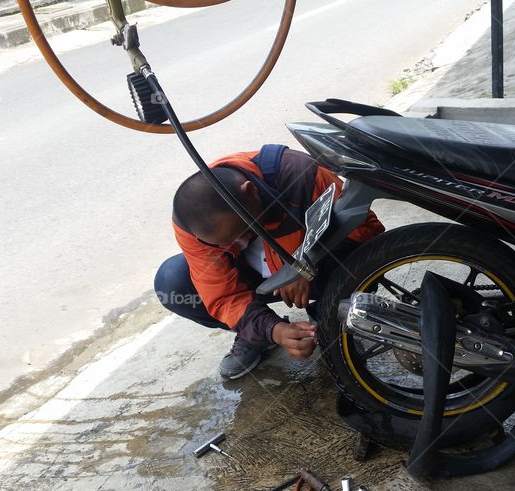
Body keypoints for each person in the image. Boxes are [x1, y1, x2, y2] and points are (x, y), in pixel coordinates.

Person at [154, 144, 384, 379]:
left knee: (353, 259)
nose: (242, 243)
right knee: (172, 281)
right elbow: (223, 297)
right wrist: (274, 330)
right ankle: (255, 335)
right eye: (228, 243)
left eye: (245, 229)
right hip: (259, 281)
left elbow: (368, 232)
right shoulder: (191, 225)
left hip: (320, 270)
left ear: (251, 192)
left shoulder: (300, 174)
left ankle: (329, 318)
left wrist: (305, 262)